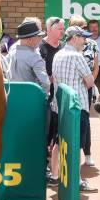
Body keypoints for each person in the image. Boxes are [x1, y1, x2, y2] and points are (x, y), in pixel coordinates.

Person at [52, 26, 97, 192]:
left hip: (60, 107)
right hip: (78, 108)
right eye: (83, 37)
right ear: (75, 38)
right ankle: (76, 180)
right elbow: (90, 81)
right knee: (76, 145)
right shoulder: (77, 56)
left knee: (58, 142)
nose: (85, 41)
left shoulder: (58, 54)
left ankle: (55, 177)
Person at [69, 15, 99, 167]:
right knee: (70, 119)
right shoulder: (67, 45)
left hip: (87, 87)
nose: (86, 30)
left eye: (86, 27)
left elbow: (96, 67)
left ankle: (87, 154)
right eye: (83, 27)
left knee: (85, 120)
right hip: (72, 87)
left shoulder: (93, 44)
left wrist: (90, 83)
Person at [39, 16, 65, 185]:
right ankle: (44, 167)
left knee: (56, 133)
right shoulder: (41, 47)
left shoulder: (63, 48)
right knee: (46, 133)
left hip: (60, 98)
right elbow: (41, 73)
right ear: (49, 29)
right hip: (46, 98)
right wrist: (51, 78)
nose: (63, 32)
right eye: (60, 29)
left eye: (63, 29)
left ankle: (54, 167)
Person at [7, 20, 49, 94]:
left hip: (11, 100)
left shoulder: (10, 54)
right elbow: (46, 83)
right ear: (30, 40)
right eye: (38, 36)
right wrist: (42, 99)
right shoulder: (34, 57)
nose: (41, 39)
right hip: (30, 101)